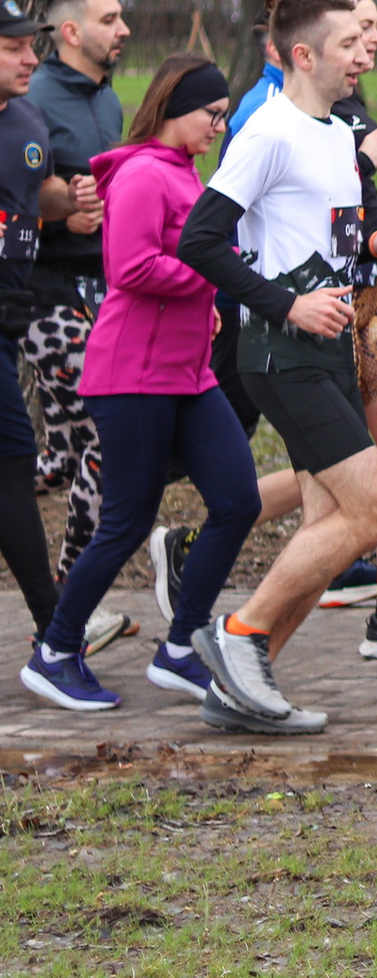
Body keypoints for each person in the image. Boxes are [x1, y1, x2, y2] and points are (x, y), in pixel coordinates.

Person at [174, 0, 377, 732]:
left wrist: (376, 240)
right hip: (280, 353)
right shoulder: (268, 131)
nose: (362, 53)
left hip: (330, 351)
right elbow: (200, 238)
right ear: (304, 54)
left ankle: (238, 684)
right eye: (347, 43)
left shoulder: (337, 132)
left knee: (329, 523)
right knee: (375, 506)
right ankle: (238, 636)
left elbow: (328, 236)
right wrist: (287, 303)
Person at [18, 56, 259, 711]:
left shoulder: (182, 172)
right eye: (211, 114)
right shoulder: (147, 172)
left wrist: (202, 294)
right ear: (176, 107)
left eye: (224, 116)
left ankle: (181, 648)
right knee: (124, 523)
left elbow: (180, 259)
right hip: (133, 375)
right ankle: (55, 651)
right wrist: (212, 276)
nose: (218, 125)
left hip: (186, 373)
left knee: (238, 500)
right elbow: (130, 267)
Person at [25, 0, 125, 597]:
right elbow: (20, 197)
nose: (123, 29)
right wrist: (62, 208)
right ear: (71, 31)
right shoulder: (33, 97)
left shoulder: (108, 100)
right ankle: (70, 595)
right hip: (47, 295)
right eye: (110, 20)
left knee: (61, 460)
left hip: (104, 292)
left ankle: (64, 599)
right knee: (107, 437)